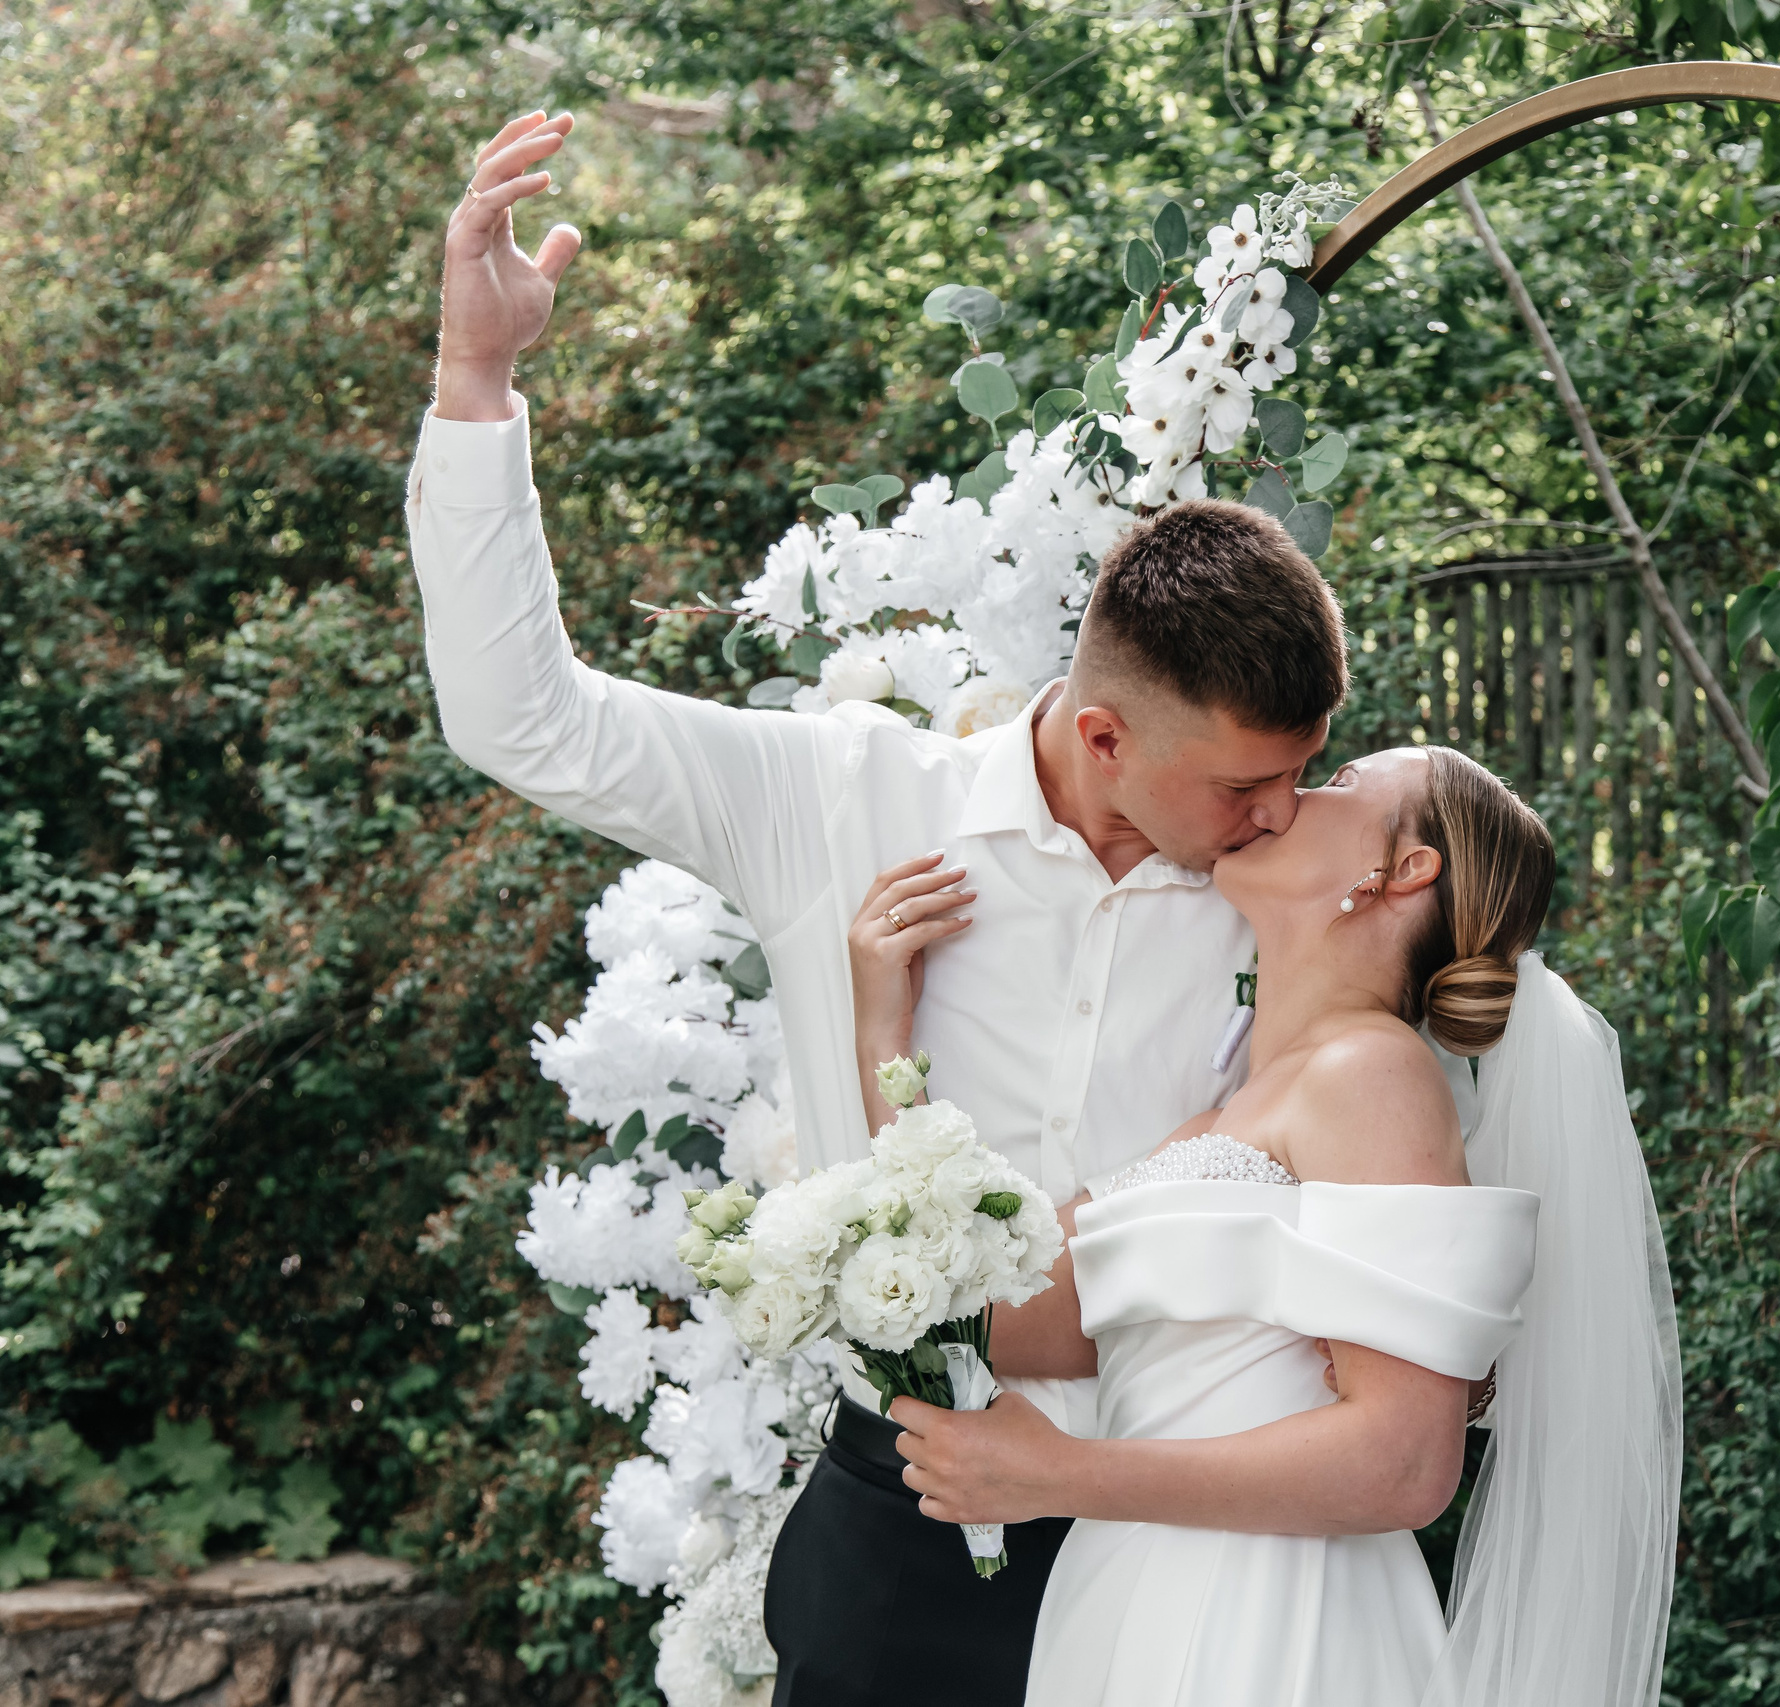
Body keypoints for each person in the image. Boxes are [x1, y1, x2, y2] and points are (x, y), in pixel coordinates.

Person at [413, 111, 1354, 1705]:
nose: (1281, 818)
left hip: (1199, 1545)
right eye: (1244, 786)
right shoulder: (839, 800)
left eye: (1302, 775)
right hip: (904, 1544)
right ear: (1105, 730)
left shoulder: (1302, 883)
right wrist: (479, 386)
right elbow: (527, 721)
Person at [854, 746, 1683, 1707]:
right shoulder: (1224, 1119)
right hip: (1132, 1607)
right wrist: (884, 1041)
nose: (1284, 800)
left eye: (1335, 785)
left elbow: (1407, 1464)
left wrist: (1064, 1474)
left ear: (1403, 870)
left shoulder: (1371, 1076)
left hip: (1276, 1627)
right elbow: (977, 1305)